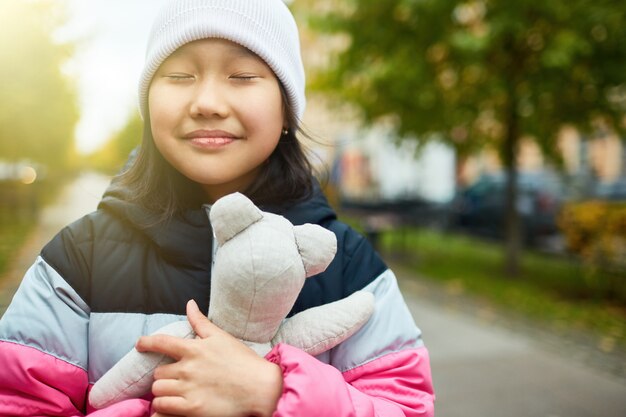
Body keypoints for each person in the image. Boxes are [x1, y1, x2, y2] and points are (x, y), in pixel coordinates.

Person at [0, 1, 435, 416]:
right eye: (179, 75)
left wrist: (273, 392)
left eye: (243, 75)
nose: (207, 101)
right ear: (148, 102)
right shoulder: (78, 260)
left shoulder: (349, 266)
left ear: (286, 108)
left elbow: (405, 407)